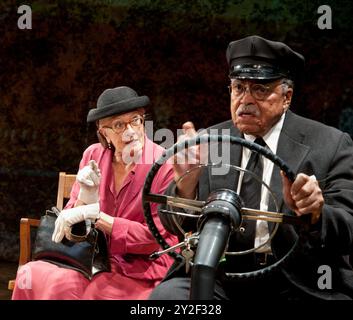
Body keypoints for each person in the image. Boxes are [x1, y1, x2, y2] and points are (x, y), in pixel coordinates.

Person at [149, 35, 353, 300]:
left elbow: (348, 228)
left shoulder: (330, 143)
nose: (245, 100)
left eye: (259, 90)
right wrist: (186, 188)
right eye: (238, 88)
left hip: (300, 280)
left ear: (286, 96)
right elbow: (173, 224)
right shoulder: (209, 141)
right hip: (220, 276)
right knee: (168, 299)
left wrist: (315, 212)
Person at [12, 86, 177, 300]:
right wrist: (84, 199)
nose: (130, 131)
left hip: (141, 266)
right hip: (90, 258)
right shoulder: (93, 155)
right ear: (103, 131)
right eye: (119, 124)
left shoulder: (163, 165)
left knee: (77, 287)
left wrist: (97, 217)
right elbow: (70, 225)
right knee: (30, 274)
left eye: (135, 120)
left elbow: (155, 239)